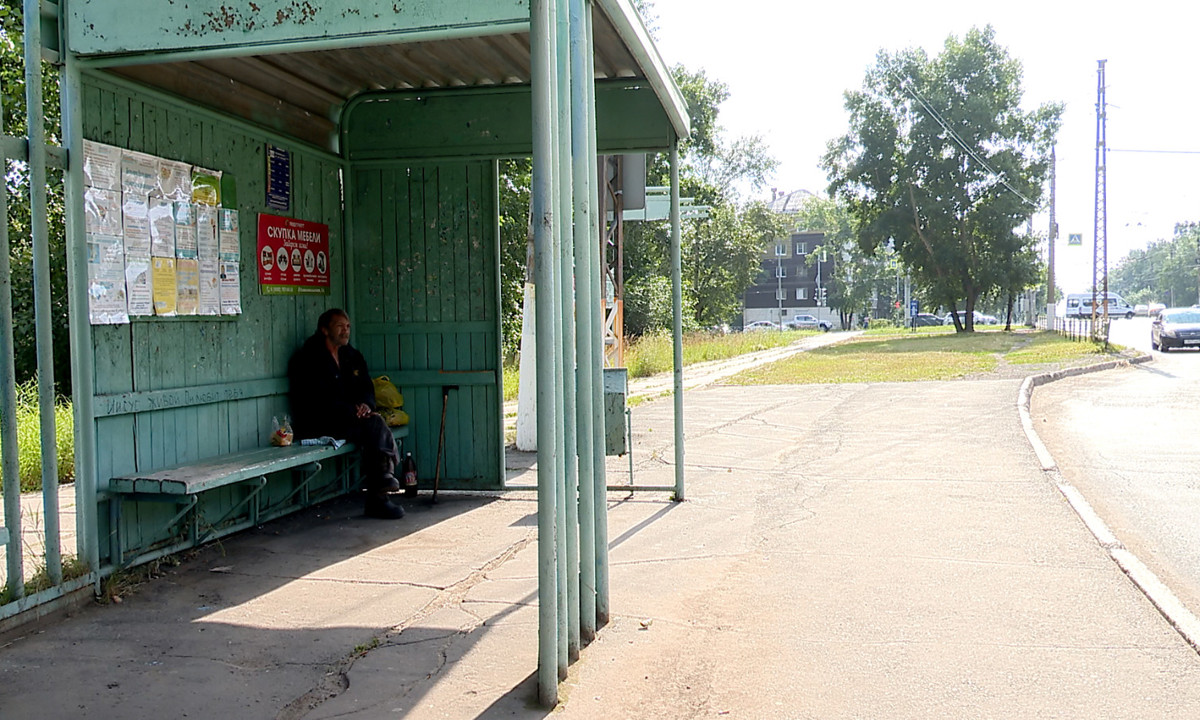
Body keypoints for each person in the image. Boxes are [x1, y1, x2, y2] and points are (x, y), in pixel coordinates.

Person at [289, 308, 404, 519]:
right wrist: (352, 410)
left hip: (352, 420)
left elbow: (366, 388)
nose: (346, 331)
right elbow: (315, 398)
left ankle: (381, 489)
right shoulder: (309, 357)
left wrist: (366, 405)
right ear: (324, 329)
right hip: (320, 421)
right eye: (339, 326)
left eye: (348, 326)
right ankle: (382, 488)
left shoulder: (352, 356)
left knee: (373, 423)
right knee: (374, 426)